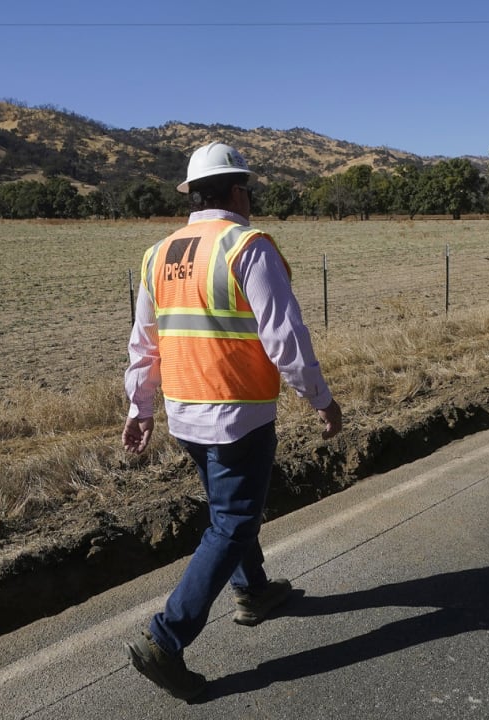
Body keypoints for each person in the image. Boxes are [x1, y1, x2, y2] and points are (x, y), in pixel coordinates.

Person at [122, 141, 343, 700]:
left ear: (194, 194)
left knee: (230, 512)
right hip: (237, 414)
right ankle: (165, 639)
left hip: (185, 415)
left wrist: (140, 408)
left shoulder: (159, 254)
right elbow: (285, 337)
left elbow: (144, 345)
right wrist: (320, 398)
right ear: (238, 190)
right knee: (234, 523)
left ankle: (254, 590)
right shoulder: (247, 246)